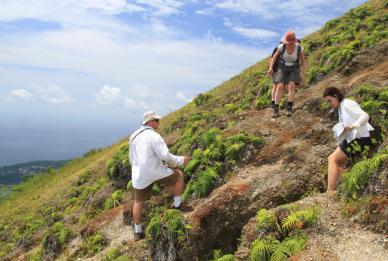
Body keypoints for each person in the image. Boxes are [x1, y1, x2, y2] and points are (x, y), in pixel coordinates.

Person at [129, 111, 191, 240]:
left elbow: (131, 158)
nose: (159, 123)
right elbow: (165, 155)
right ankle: (178, 205)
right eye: (157, 120)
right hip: (156, 171)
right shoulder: (154, 136)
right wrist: (180, 160)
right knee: (178, 175)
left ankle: (137, 230)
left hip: (139, 175)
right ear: (151, 122)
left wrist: (137, 170)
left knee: (138, 201)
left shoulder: (133, 136)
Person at [323, 87, 374, 191]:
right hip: (353, 139)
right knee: (335, 162)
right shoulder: (341, 107)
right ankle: (334, 188)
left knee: (332, 159)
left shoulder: (347, 104)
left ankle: (329, 191)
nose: (329, 104)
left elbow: (365, 115)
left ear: (336, 96)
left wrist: (353, 126)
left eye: (330, 100)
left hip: (360, 139)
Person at [268, 31, 306, 117]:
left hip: (294, 67)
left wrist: (303, 74)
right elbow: (274, 57)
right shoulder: (282, 47)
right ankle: (276, 109)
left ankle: (289, 108)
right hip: (282, 66)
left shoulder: (299, 48)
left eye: (291, 43)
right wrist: (271, 67)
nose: (290, 44)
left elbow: (303, 61)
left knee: (292, 85)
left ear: (295, 42)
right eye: (288, 43)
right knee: (280, 86)